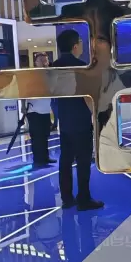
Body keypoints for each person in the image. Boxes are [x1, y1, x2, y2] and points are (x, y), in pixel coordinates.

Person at [53, 29, 103, 212]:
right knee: (83, 161)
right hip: (81, 120)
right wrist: (95, 115)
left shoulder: (53, 67)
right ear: (75, 46)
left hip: (64, 121)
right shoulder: (82, 67)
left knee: (65, 160)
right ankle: (84, 198)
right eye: (81, 42)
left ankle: (67, 198)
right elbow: (87, 96)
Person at [27, 54, 56, 169]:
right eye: (41, 60)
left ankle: (45, 157)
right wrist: (23, 106)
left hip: (45, 110)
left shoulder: (49, 75)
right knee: (36, 137)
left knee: (45, 135)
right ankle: (38, 159)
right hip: (34, 110)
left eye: (46, 60)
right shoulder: (32, 75)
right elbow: (25, 91)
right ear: (36, 62)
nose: (44, 63)